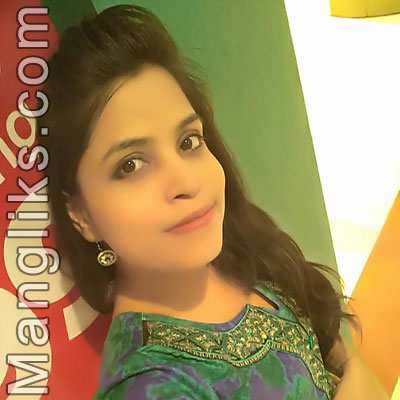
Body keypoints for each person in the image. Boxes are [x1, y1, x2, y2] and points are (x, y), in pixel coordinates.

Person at [36, 4, 366, 399]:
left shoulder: (243, 249)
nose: (186, 181)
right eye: (131, 165)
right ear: (81, 215)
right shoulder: (152, 387)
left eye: (188, 141)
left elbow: (341, 357)